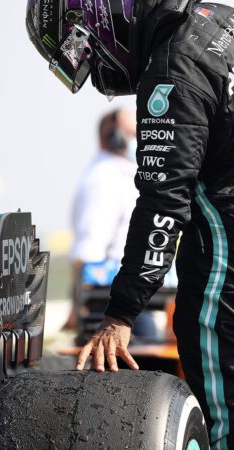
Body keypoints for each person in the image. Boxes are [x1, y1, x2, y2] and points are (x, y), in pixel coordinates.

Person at [25, 1, 234, 448]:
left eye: (81, 49)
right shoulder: (230, 19)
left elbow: (162, 207)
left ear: (99, 18)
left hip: (231, 279)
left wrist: (120, 314)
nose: (93, 68)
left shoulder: (170, 72)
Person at [65, 108, 138, 330]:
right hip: (108, 302)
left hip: (124, 296)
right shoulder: (104, 178)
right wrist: (78, 308)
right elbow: (88, 250)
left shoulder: (121, 173)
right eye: (134, 133)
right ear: (115, 138)